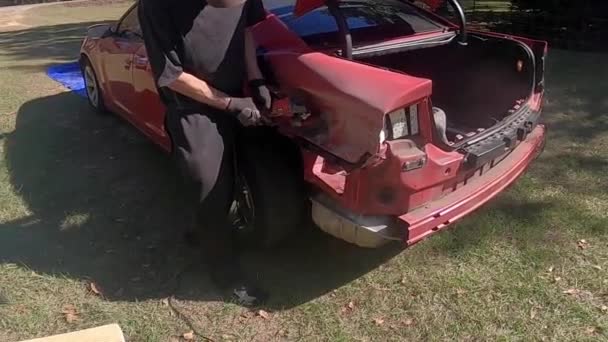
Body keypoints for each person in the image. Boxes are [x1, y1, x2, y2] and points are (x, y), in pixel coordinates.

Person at [138, 0, 272, 306]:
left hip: (238, 93)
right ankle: (226, 272)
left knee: (246, 168)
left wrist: (256, 78)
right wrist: (229, 104)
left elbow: (246, 29)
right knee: (207, 184)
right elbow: (171, 75)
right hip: (192, 106)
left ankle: (206, 231)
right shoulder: (156, 7)